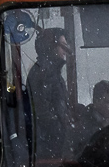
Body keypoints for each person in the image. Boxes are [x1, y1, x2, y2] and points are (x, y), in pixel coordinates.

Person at [25, 27, 78, 159]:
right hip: (49, 146)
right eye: (63, 46)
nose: (66, 51)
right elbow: (43, 113)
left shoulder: (50, 71)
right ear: (51, 46)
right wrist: (63, 131)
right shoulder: (44, 73)